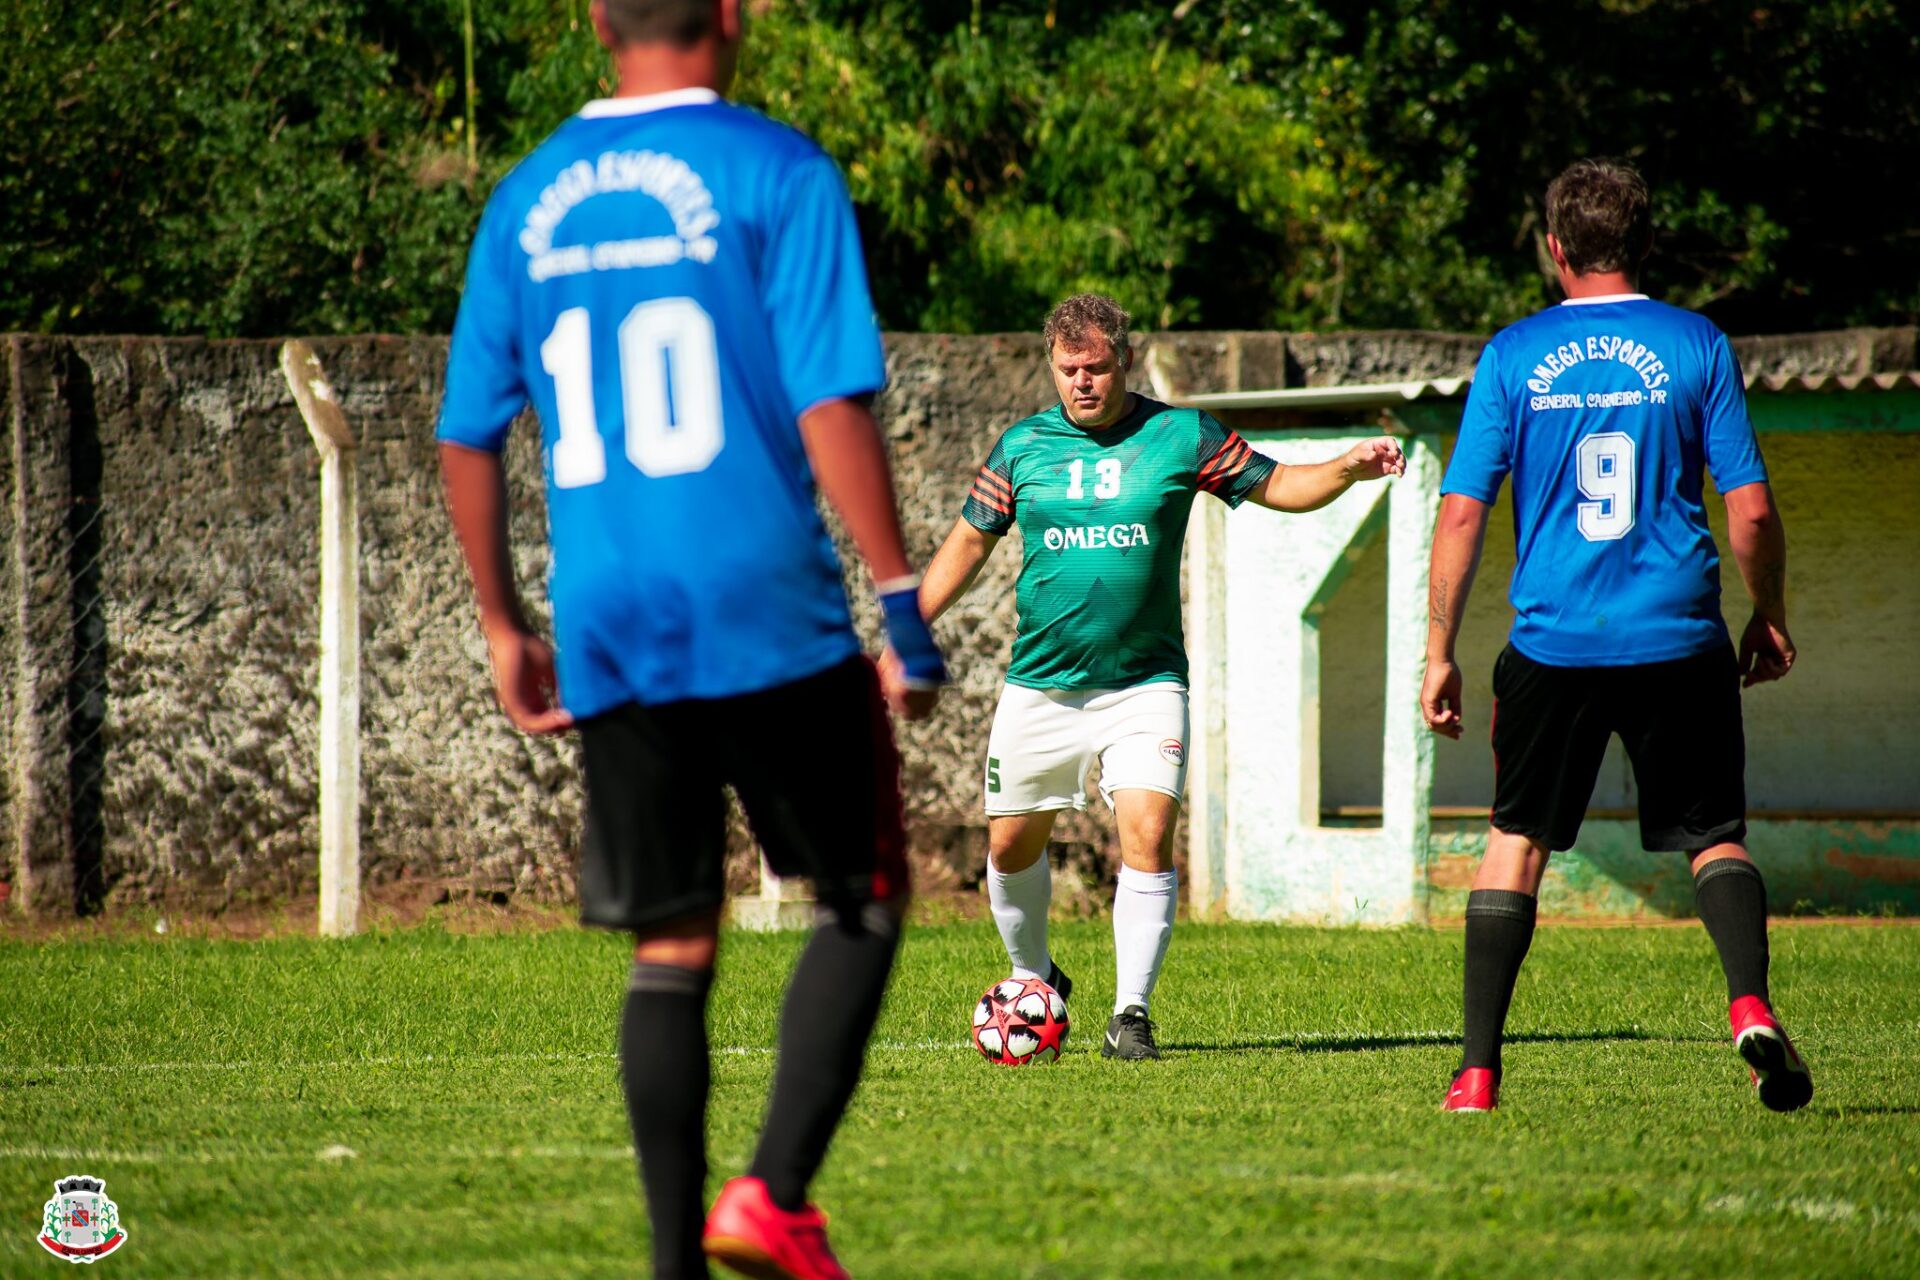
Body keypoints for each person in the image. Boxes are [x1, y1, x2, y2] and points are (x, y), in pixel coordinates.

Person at [435, 2, 948, 1276]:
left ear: (597, 22)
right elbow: (828, 397)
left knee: (672, 943)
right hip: (761, 602)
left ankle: (672, 1266)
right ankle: (770, 1193)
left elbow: (467, 435)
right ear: (727, 15)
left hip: (613, 615)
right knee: (863, 895)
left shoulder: (527, 195)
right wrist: (896, 595)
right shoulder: (778, 171)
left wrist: (505, 619)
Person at [911, 293, 1404, 1059]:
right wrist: (904, 633)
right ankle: (1035, 980)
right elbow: (968, 547)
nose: (1083, 382)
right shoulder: (1021, 447)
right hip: (1040, 685)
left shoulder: (1180, 434)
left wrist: (1345, 466)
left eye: (1098, 367)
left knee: (1147, 835)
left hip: (1144, 686)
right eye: (1069, 369)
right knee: (1008, 848)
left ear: (1124, 361)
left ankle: (1131, 1015)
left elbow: (1278, 485)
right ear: (1052, 366)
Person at [1420, 158, 1811, 1114]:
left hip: (1552, 644)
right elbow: (1750, 512)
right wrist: (1769, 614)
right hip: (1679, 637)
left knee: (1514, 841)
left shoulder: (1512, 356)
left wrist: (1439, 649)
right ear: (1643, 245)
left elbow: (1463, 516)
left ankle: (1476, 1074)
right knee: (1714, 837)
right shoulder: (1697, 343)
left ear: (1555, 249)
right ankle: (1749, 1000)